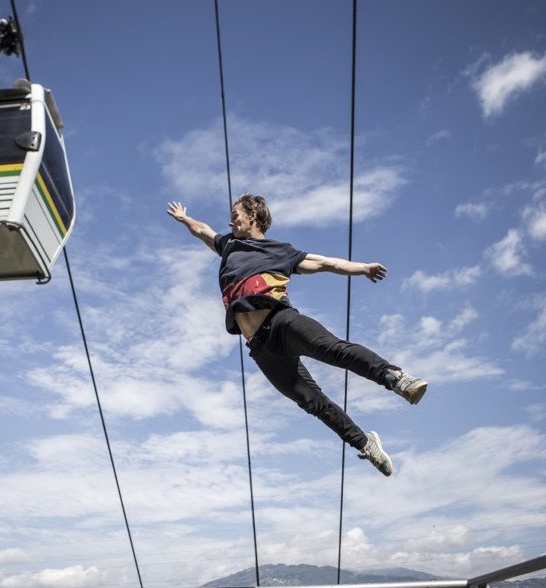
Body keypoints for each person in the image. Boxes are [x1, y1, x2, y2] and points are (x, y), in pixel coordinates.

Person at [166, 194, 428, 477]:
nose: (231, 220)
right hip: (261, 349)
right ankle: (366, 444)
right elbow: (203, 230)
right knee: (311, 402)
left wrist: (362, 268)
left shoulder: (280, 251)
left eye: (236, 213)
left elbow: (326, 263)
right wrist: (185, 219)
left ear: (253, 215)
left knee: (331, 349)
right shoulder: (229, 244)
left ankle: (395, 378)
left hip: (281, 322)